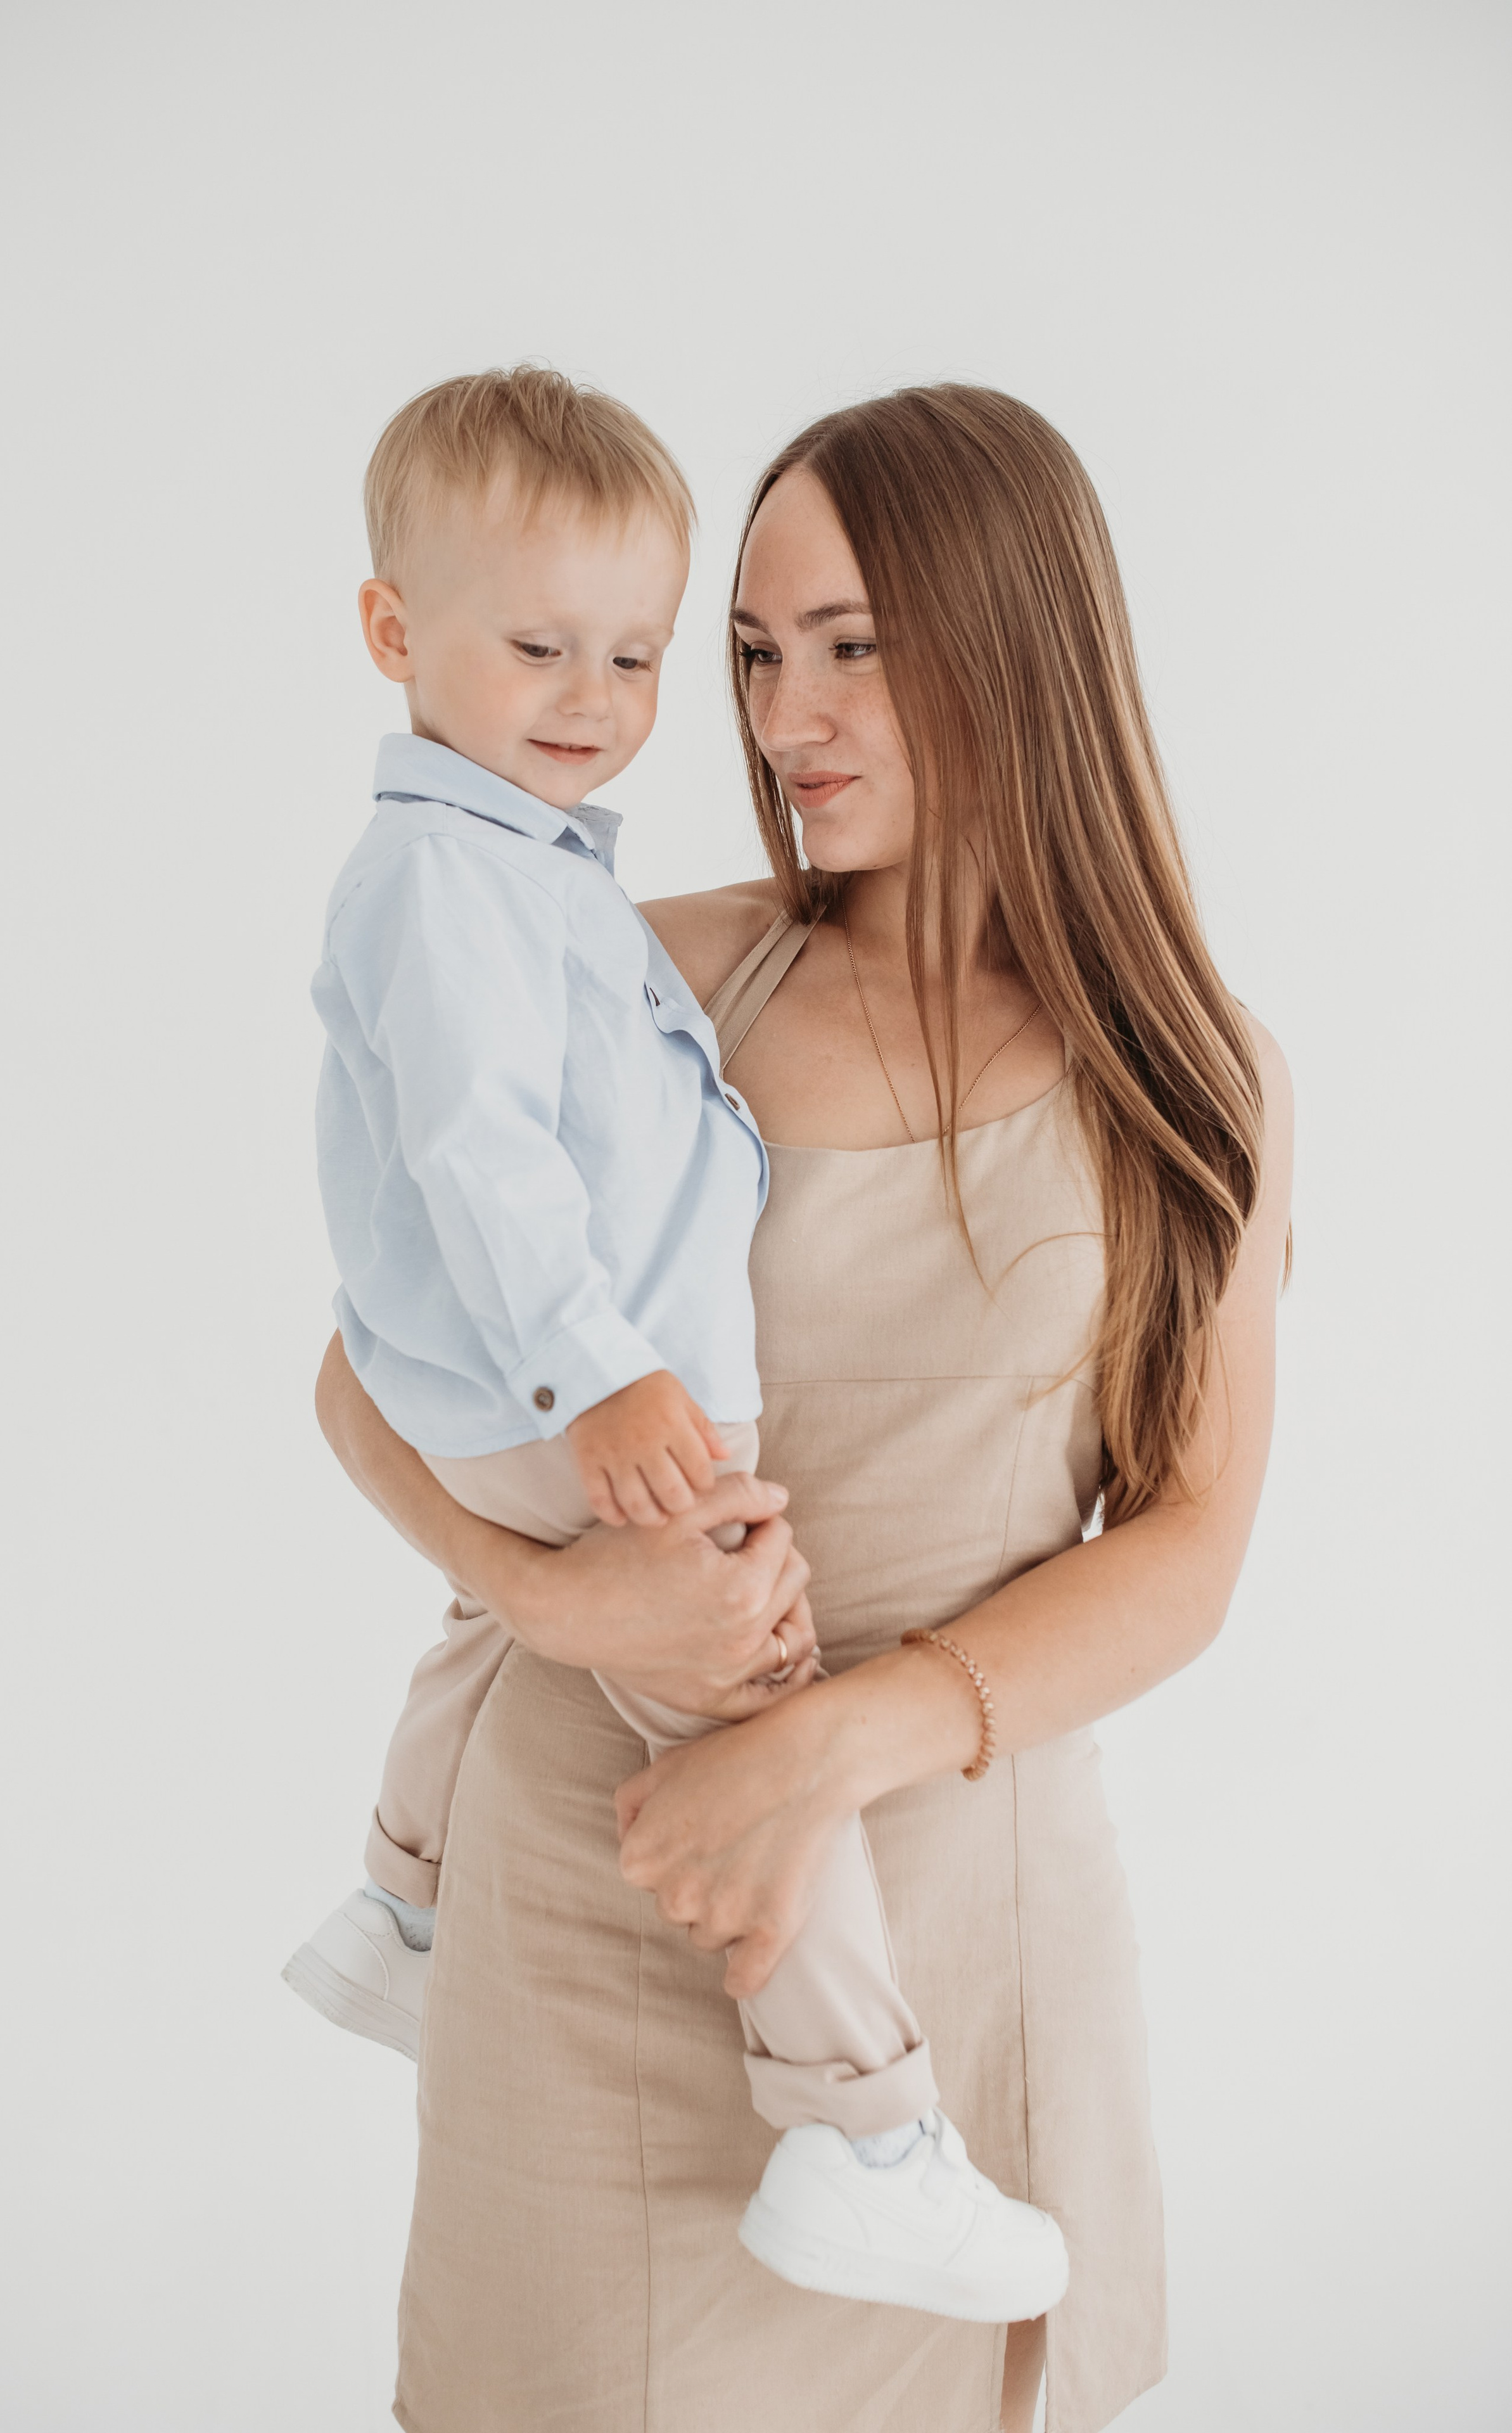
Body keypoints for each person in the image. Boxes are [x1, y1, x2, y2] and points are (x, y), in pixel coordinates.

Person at [315, 381, 1293, 2433]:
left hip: (950, 1938)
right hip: (598, 1907)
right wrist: (570, 1605)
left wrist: (829, 1746)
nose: (782, 718)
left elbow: (1191, 1547)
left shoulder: (1194, 1075)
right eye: (756, 655)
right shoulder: (645, 977)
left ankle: (874, 2136)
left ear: (1019, 638)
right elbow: (367, 1371)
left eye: (854, 645)